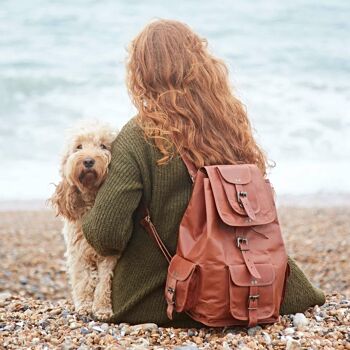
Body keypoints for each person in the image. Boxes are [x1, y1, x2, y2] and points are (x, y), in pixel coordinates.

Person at [81, 19, 325, 327]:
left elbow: (106, 235)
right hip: (246, 285)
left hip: (159, 297)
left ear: (140, 72)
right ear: (200, 63)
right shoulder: (229, 124)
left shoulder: (139, 133)